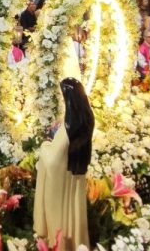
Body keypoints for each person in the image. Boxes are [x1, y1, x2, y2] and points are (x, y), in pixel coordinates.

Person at [34, 79, 93, 250]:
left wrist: (45, 144)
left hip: (59, 181)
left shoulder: (68, 126)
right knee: (73, 211)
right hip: (75, 173)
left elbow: (52, 159)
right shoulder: (86, 118)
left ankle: (58, 243)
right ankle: (76, 242)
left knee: (58, 213)